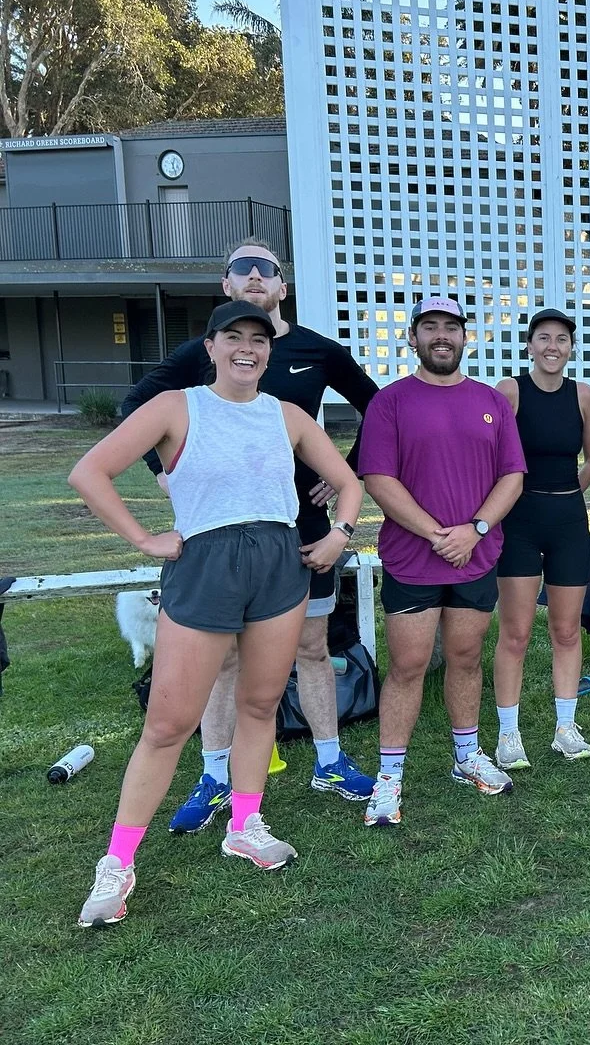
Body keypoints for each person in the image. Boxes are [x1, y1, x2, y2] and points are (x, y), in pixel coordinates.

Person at [72, 300, 363, 926]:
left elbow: (350, 483)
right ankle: (117, 862)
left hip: (279, 566)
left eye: (258, 339)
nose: (246, 349)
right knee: (168, 723)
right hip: (206, 566)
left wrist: (340, 533)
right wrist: (144, 539)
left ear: (269, 351)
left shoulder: (287, 415)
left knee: (260, 704)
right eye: (233, 337)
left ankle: (245, 824)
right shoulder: (176, 407)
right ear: (210, 347)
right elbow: (90, 472)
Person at [120, 239, 379, 834]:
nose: (256, 275)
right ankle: (215, 775)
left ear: (283, 286)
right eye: (244, 267)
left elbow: (379, 407)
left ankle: (330, 762)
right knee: (226, 660)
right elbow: (137, 404)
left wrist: (348, 473)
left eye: (268, 268)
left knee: (314, 647)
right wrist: (163, 472)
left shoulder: (317, 349)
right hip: (219, 536)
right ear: (226, 285)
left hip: (302, 526)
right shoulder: (205, 351)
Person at [357, 297, 526, 826]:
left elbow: (512, 476)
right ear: (413, 337)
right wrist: (437, 535)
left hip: (476, 555)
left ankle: (466, 756)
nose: (441, 336)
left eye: (450, 327)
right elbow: (378, 479)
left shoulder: (491, 402)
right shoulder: (389, 402)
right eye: (429, 327)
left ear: (464, 337)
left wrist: (475, 530)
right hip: (414, 558)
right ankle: (389, 776)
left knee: (466, 657)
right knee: (408, 666)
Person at [492, 308, 590, 767]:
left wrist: (566, 494)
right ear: (529, 345)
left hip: (568, 522)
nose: (552, 346)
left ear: (571, 347)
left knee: (566, 629)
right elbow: (492, 456)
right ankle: (508, 733)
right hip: (519, 520)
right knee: (515, 632)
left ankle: (565, 727)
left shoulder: (583, 395)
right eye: (543, 337)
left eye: (561, 339)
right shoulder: (510, 391)